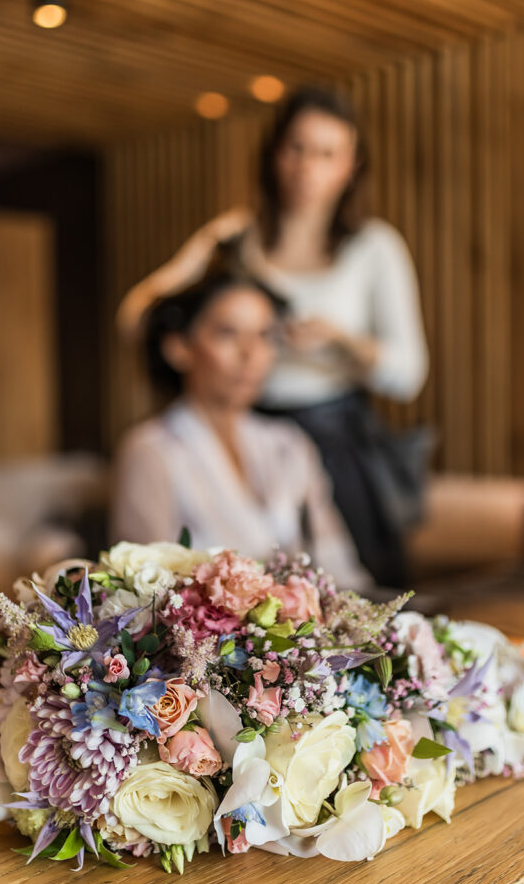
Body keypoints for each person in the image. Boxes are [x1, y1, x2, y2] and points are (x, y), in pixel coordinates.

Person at [117, 87, 431, 589]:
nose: (308, 167)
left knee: (350, 590)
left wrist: (339, 341)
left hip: (337, 439)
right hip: (249, 423)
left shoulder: (374, 248)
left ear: (350, 166)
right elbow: (140, 314)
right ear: (273, 154)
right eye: (296, 148)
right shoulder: (237, 238)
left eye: (327, 154)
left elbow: (409, 374)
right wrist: (193, 294)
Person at [111, 257, 371, 594]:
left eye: (264, 335)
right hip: (205, 643)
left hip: (307, 639)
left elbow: (338, 567)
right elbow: (142, 593)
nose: (251, 353)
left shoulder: (289, 444)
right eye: (227, 333)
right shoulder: (151, 451)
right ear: (178, 348)